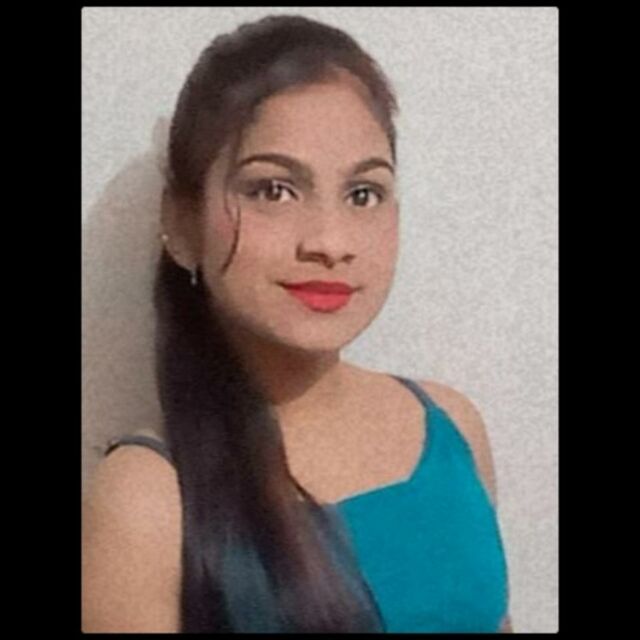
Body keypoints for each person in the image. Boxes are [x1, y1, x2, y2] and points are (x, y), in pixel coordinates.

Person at [82, 14, 512, 633]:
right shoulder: (148, 497)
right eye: (273, 190)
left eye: (363, 193)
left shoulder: (452, 427)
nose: (330, 242)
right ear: (182, 224)